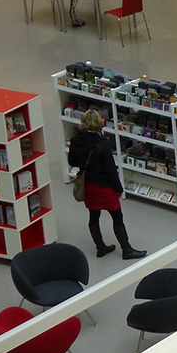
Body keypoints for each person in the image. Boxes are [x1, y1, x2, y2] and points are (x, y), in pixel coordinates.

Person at [67, 108, 146, 260]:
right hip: (103, 187)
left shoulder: (75, 140)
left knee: (93, 216)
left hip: (88, 186)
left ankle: (100, 247)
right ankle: (127, 249)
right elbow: (111, 170)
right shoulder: (102, 144)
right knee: (117, 217)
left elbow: (72, 161)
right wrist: (119, 189)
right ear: (99, 123)